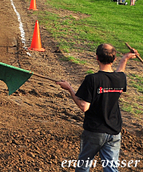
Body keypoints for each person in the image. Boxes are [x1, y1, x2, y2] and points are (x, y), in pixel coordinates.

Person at [57, 44, 138, 172]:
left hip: (94, 132)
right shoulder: (120, 79)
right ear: (114, 59)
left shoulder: (92, 79)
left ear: (96, 58)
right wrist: (126, 58)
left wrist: (70, 89)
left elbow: (84, 106)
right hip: (114, 131)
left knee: (83, 167)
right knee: (111, 168)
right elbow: (119, 72)